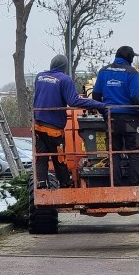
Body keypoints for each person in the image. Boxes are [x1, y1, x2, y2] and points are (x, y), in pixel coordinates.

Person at [32, 54, 107, 189]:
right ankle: (66, 184)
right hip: (53, 128)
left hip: (38, 125)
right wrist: (98, 104)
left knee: (41, 158)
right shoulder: (65, 79)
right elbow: (73, 101)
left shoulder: (39, 76)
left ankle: (41, 185)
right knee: (59, 158)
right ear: (64, 67)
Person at [92, 46, 139, 186]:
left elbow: (95, 95)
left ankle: (116, 186)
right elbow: (136, 98)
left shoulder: (103, 71)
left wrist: (105, 112)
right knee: (133, 153)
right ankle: (134, 186)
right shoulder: (132, 73)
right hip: (130, 120)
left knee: (114, 153)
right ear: (130, 58)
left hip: (111, 119)